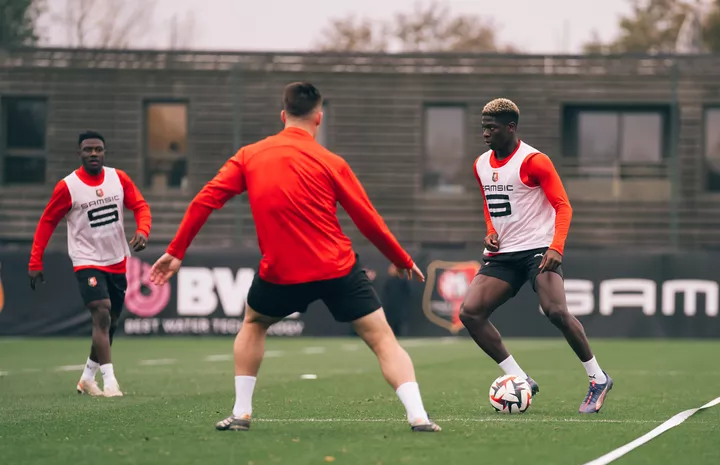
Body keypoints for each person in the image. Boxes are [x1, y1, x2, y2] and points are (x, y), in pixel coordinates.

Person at [149, 82, 440, 433]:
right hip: (337, 269)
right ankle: (419, 417)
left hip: (281, 273)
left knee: (254, 323)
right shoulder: (331, 162)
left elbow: (204, 200)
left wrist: (175, 252)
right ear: (319, 117)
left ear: (283, 115)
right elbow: (367, 218)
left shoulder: (249, 156)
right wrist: (401, 258)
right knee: (382, 339)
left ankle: (241, 413)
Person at [461, 99, 613, 414]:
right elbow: (491, 205)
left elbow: (563, 206)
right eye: (483, 127)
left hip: (538, 250)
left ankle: (598, 378)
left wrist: (556, 247)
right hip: (503, 254)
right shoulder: (480, 164)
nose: (486, 133)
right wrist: (490, 230)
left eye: (492, 127)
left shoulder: (534, 161)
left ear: (511, 127)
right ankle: (518, 377)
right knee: (470, 312)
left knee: (555, 311)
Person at [29, 131, 151, 398]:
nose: (93, 154)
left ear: (104, 152)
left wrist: (143, 229)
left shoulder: (119, 179)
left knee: (112, 322)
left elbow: (141, 205)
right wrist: (35, 259)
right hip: (87, 260)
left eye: (98, 149)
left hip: (117, 259)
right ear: (79, 154)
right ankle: (110, 382)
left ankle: (86, 377)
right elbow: (47, 221)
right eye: (88, 150)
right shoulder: (68, 186)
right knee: (102, 313)